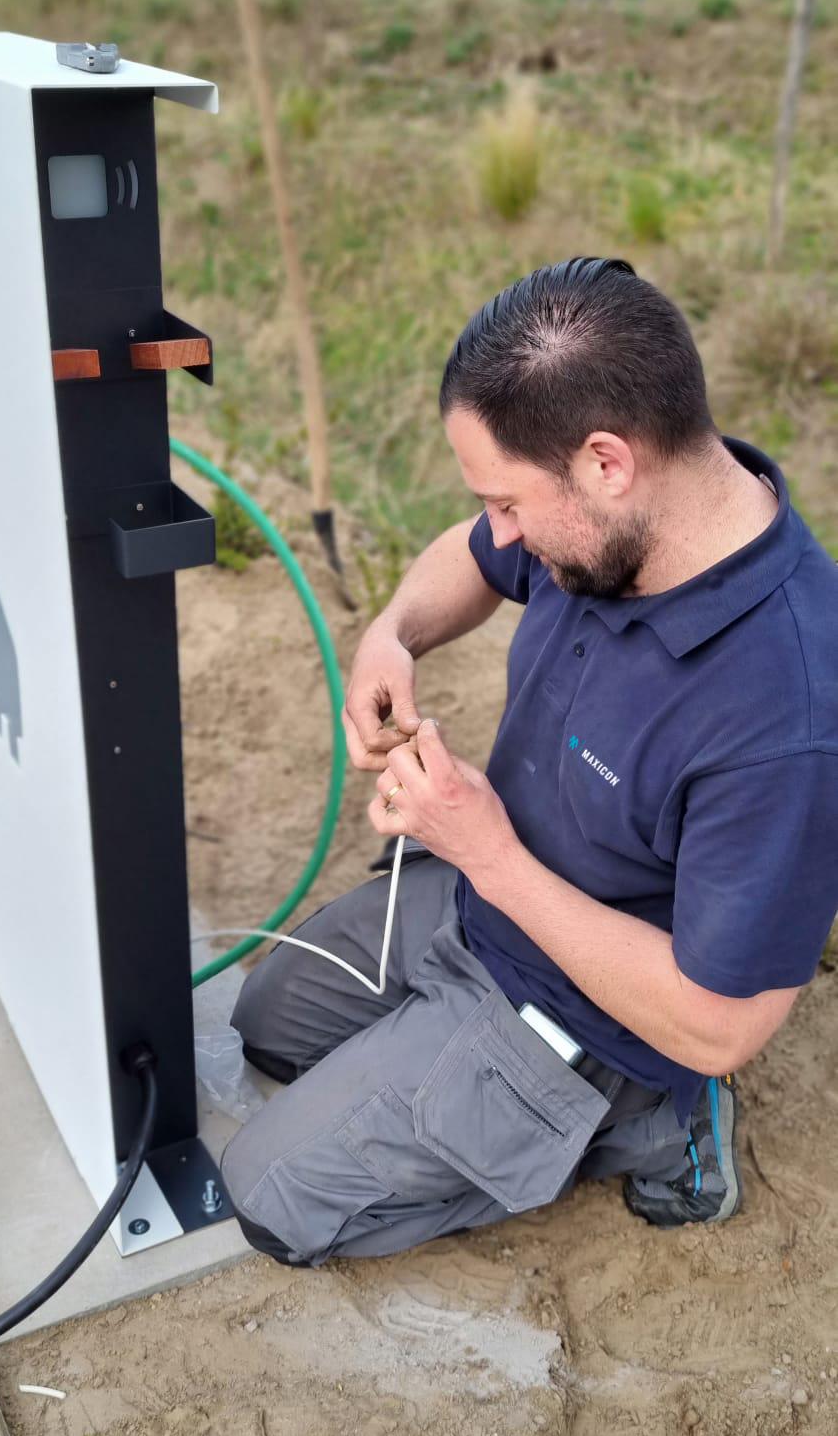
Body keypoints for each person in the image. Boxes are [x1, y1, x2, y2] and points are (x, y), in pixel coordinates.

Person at [220, 256, 838, 1268]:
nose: (498, 530)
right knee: (265, 1028)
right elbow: (468, 556)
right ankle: (442, 1044)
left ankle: (655, 1125)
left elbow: (720, 1025)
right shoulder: (616, 522)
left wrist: (485, 850)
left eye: (505, 502)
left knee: (270, 1199)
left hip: (600, 1008)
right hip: (480, 894)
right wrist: (391, 636)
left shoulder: (786, 715)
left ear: (606, 462)